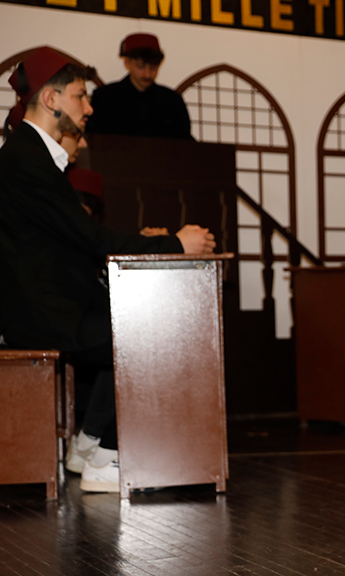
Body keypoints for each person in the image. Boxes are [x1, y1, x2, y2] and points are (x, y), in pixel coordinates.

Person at [0, 48, 215, 492]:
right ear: (51, 99)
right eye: (80, 96)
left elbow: (76, 241)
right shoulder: (25, 159)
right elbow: (92, 240)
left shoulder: (31, 156)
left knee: (138, 320)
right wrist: (175, 243)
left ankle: (94, 448)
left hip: (52, 300)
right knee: (148, 333)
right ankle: (107, 458)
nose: (89, 107)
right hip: (41, 310)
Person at [86, 33, 192, 140]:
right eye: (140, 66)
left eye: (153, 67)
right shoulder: (105, 97)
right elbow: (93, 139)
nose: (147, 74)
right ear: (127, 63)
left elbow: (185, 142)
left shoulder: (172, 101)